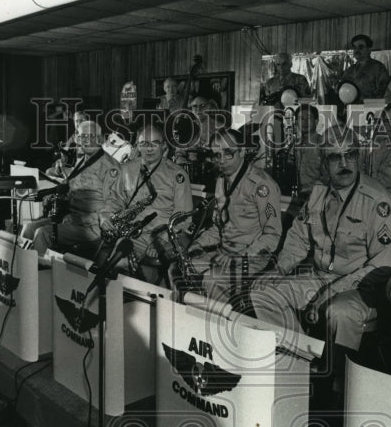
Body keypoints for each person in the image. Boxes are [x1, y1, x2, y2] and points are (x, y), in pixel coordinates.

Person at [249, 125, 391, 377]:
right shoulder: (319, 193)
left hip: (361, 287)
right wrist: (280, 269)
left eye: (349, 154)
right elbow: (298, 238)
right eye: (334, 157)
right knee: (262, 292)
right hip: (321, 278)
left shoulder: (378, 201)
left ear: (358, 156)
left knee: (338, 311)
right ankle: (301, 361)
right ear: (323, 161)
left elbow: (380, 268)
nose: (343, 163)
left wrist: (331, 292)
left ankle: (339, 381)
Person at [186, 128, 283, 301]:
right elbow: (220, 226)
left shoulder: (262, 185)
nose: (221, 160)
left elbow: (272, 236)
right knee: (181, 267)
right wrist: (196, 244)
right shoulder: (221, 181)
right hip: (224, 254)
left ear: (242, 151)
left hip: (252, 260)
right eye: (217, 155)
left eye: (228, 153)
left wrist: (240, 257)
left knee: (212, 280)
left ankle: (222, 323)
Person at [100, 123, 193, 284]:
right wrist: (105, 215)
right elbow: (116, 199)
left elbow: (183, 217)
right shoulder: (127, 169)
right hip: (132, 232)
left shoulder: (177, 174)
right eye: (144, 144)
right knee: (109, 268)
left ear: (163, 146)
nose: (149, 149)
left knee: (133, 276)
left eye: (154, 143)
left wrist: (163, 239)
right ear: (137, 146)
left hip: (162, 234)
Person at [32, 118, 120, 256]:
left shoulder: (110, 167)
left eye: (91, 136)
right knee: (28, 228)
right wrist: (55, 197)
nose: (86, 140)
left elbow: (115, 205)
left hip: (92, 228)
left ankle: (34, 276)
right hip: (72, 219)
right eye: (81, 136)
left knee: (42, 233)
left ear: (100, 139)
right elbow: (73, 190)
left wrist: (80, 218)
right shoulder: (82, 160)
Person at [341, 34, 390, 100]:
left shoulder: (378, 68)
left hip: (370, 107)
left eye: (360, 47)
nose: (357, 50)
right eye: (354, 47)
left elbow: (383, 92)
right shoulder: (350, 70)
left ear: (369, 49)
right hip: (350, 107)